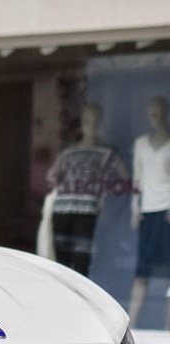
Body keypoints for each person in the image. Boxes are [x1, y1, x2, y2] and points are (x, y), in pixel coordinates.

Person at [45, 103, 127, 275]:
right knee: (61, 262)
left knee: (81, 260)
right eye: (87, 120)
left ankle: (79, 293)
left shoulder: (107, 151)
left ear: (100, 122)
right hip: (62, 208)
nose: (91, 124)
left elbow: (125, 179)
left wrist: (103, 192)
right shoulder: (69, 151)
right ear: (82, 122)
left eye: (95, 120)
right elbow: (52, 176)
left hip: (87, 210)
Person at [129, 97, 170, 326]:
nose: (155, 116)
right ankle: (132, 325)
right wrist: (135, 207)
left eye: (159, 111)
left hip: (167, 212)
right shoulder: (141, 144)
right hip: (148, 212)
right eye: (151, 112)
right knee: (142, 271)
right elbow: (137, 177)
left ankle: (167, 328)